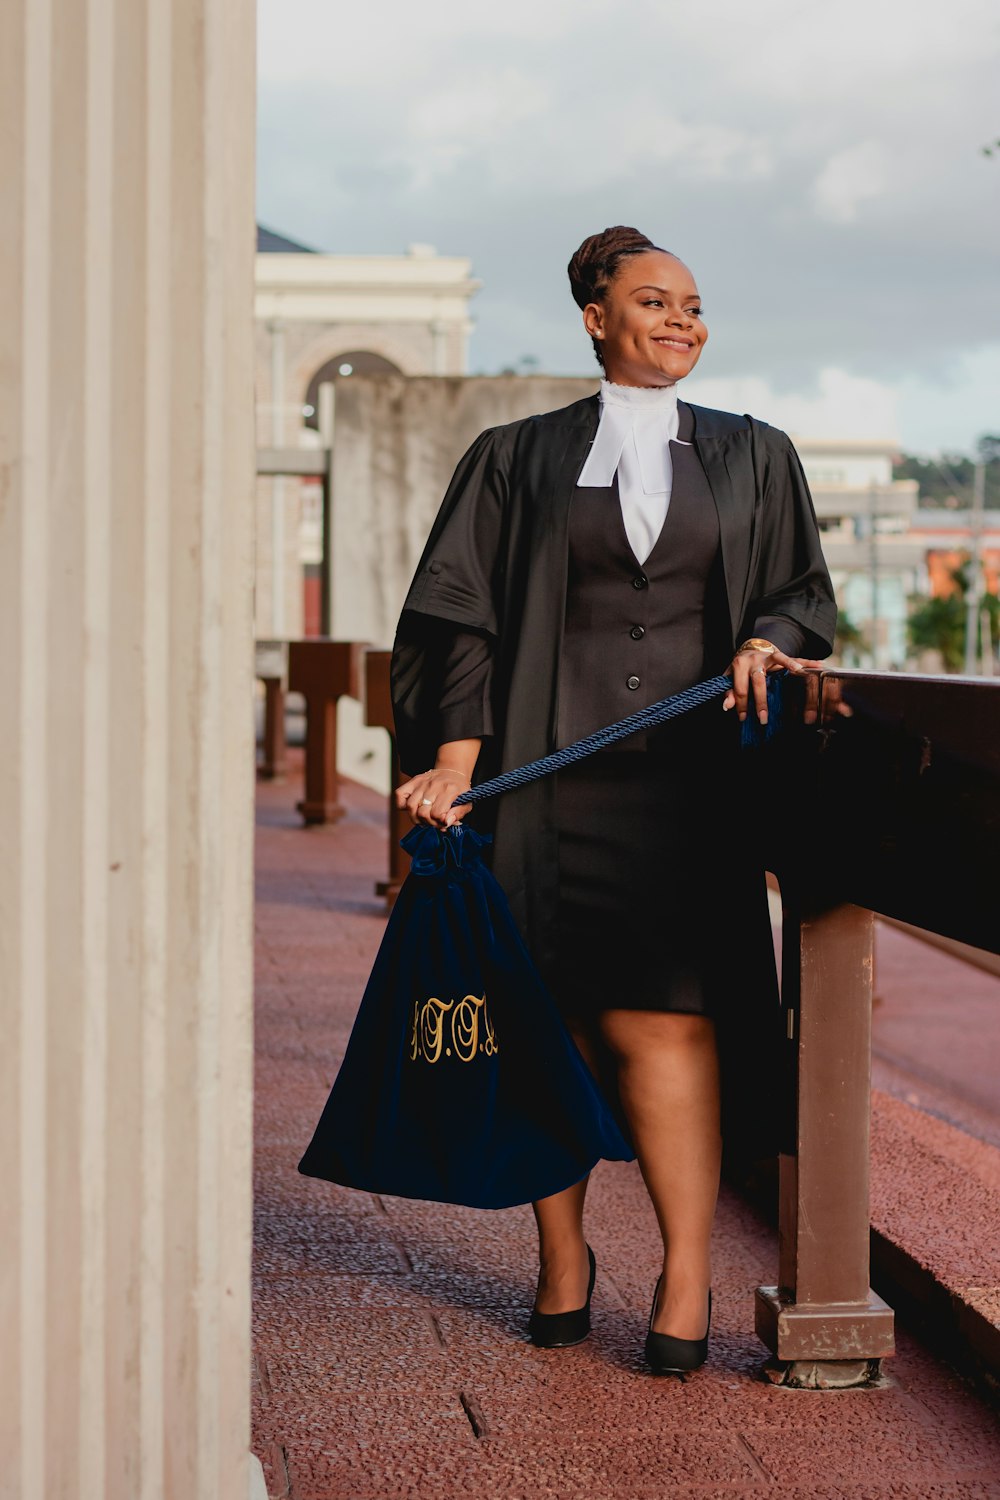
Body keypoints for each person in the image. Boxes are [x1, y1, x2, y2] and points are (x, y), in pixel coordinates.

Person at [390, 226, 836, 1374]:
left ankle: (685, 1271)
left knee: (667, 1020)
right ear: (595, 317)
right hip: (541, 775)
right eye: (653, 300)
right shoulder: (514, 455)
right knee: (554, 1022)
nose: (682, 319)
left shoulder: (754, 453)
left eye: (693, 302)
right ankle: (563, 1256)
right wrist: (454, 755)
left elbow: (798, 593)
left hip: (687, 787)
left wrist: (765, 638)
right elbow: (461, 613)